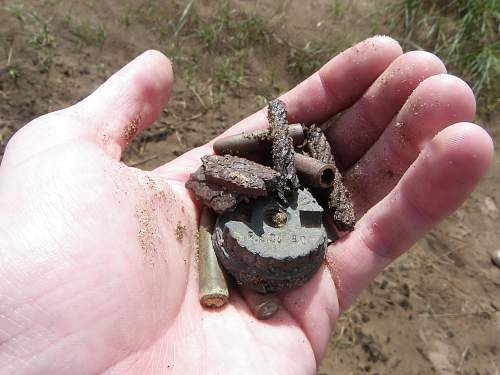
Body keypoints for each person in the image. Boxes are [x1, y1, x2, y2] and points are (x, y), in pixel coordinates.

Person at [0, 36, 493, 374]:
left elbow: (309, 199)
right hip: (249, 234)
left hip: (285, 232)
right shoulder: (233, 197)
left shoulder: (300, 192)